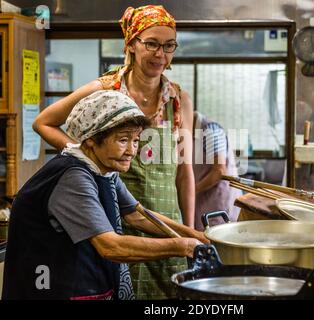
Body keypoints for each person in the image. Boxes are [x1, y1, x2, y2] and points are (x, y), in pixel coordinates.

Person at [32, 5, 195, 299]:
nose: (160, 54)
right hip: (109, 217)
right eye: (152, 44)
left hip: (161, 218)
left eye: (169, 46)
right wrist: (84, 156)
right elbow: (43, 122)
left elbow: (184, 171)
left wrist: (190, 231)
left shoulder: (178, 99)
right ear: (131, 44)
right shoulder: (106, 91)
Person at [2, 90, 205, 300]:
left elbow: (137, 215)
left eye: (135, 140)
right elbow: (110, 246)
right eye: (123, 140)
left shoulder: (105, 170)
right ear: (91, 139)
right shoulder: (73, 177)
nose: (131, 151)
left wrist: (196, 235)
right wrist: (183, 246)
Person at [192, 111, 242, 231]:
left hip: (219, 204)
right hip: (204, 205)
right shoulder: (190, 134)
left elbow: (219, 171)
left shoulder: (210, 130)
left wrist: (191, 190)